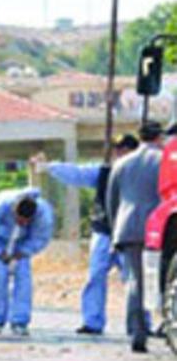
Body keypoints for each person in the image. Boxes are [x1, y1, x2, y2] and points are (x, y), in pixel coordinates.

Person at [32, 134, 139, 335]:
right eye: (116, 149)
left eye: (122, 149)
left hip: (129, 233)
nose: (117, 153)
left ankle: (139, 323)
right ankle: (92, 321)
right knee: (95, 276)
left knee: (133, 279)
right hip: (103, 231)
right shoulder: (104, 172)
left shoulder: (141, 173)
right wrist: (51, 167)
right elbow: (77, 173)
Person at [107, 121, 164, 353]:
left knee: (135, 282)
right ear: (159, 137)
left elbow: (112, 200)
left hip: (127, 227)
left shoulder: (122, 163)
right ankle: (164, 324)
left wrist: (115, 230)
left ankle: (136, 332)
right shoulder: (165, 161)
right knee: (160, 279)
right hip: (158, 228)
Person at [0, 189, 54, 336]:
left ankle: (20, 322)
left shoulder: (43, 214)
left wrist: (24, 251)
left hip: (22, 244)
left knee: (23, 280)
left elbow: (41, 237)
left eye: (27, 221)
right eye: (19, 219)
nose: (23, 223)